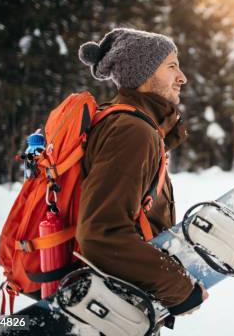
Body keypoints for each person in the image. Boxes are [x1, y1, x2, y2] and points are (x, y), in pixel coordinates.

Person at [76, 28, 208, 316]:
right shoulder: (132, 131)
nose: (182, 77)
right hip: (108, 305)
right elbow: (102, 234)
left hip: (118, 296)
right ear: (143, 73)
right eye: (171, 66)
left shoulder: (131, 124)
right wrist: (179, 288)